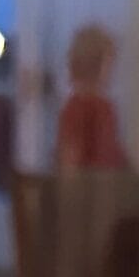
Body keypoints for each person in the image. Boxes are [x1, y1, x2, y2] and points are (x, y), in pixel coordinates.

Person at [56, 24, 131, 172]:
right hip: (93, 183)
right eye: (109, 63)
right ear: (94, 64)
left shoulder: (102, 106)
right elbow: (70, 158)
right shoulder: (81, 108)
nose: (112, 70)